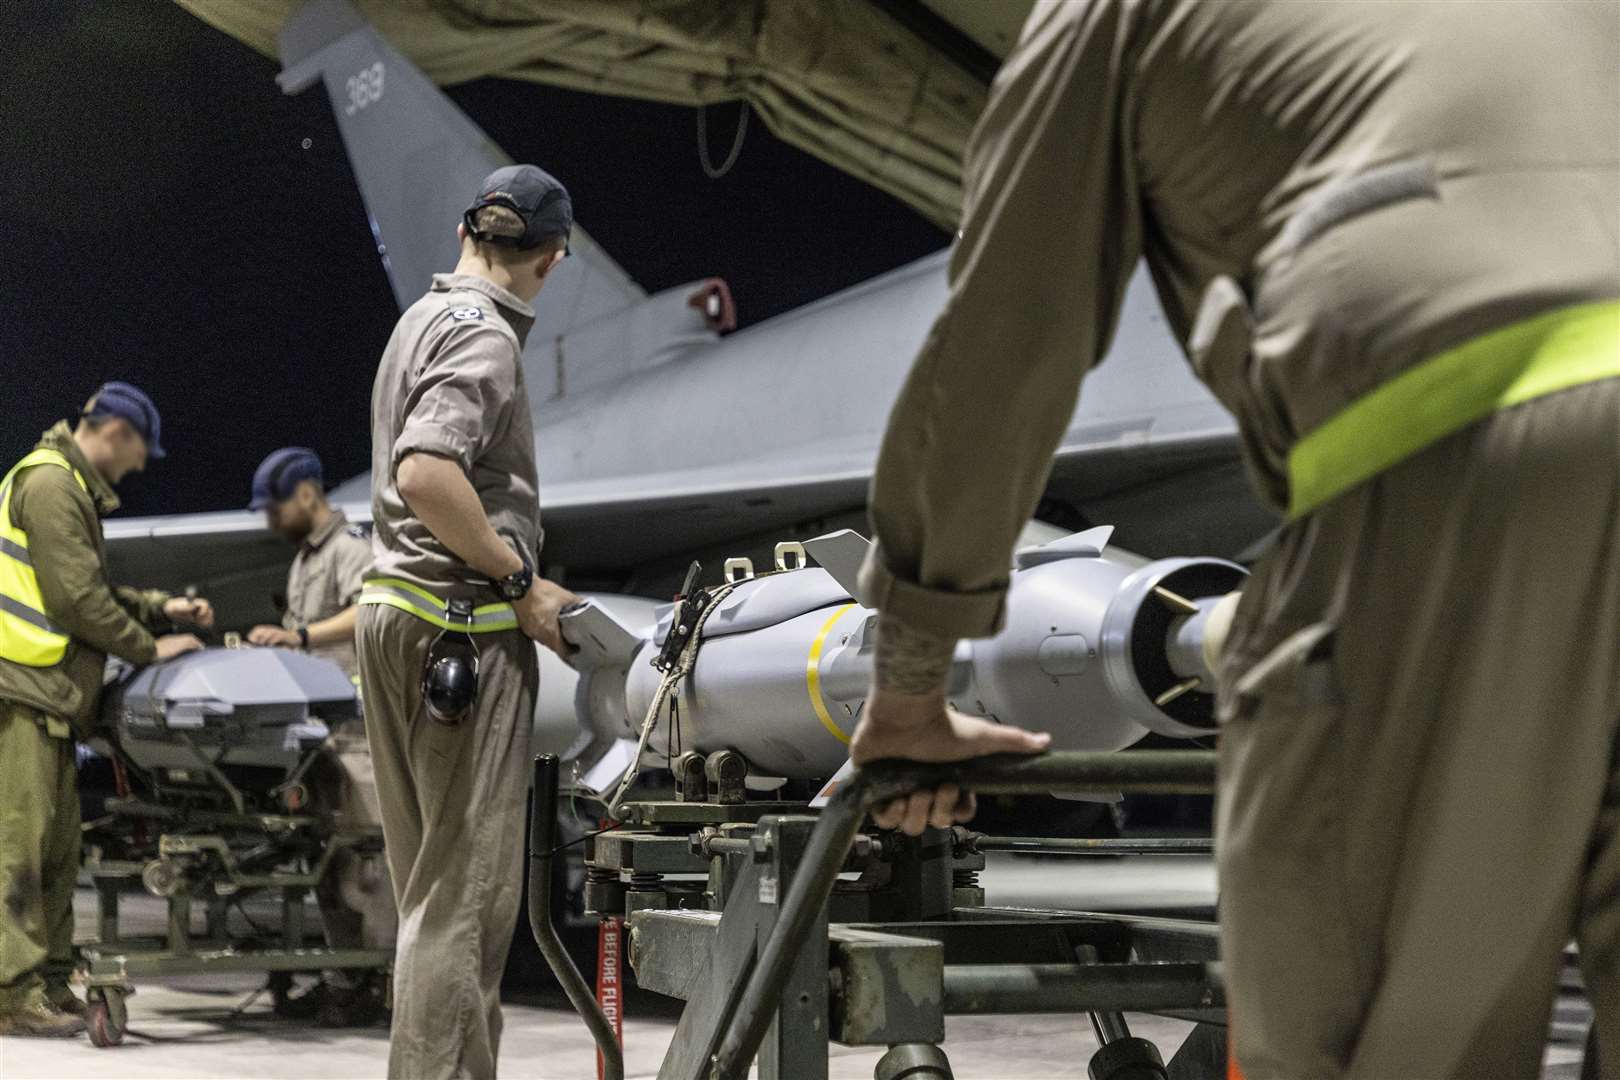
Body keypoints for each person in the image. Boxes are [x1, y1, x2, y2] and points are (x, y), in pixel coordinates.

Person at [847, 3, 1619, 1078]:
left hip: (1452, 435)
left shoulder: (1109, 16)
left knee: (1374, 1036)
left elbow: (1003, 344)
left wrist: (910, 689)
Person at [356, 164, 580, 1079]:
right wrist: (518, 577)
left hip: (394, 616)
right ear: (552, 260)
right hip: (458, 634)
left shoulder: (418, 321)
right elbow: (425, 471)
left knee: (429, 895)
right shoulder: (486, 339)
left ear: (464, 235)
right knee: (465, 902)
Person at [0, 382, 212, 1036]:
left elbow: (87, 586)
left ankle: (51, 979)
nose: (140, 466)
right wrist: (151, 646)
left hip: (53, 698)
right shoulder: (50, 483)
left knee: (60, 853)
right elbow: (76, 603)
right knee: (22, 851)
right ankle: (12, 993)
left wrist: (158, 606)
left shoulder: (64, 487)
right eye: (140, 450)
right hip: (24, 690)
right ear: (116, 432)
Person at [246, 446, 395, 1026]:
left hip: (359, 734)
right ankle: (347, 980)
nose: (269, 521)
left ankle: (381, 983)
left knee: (367, 867)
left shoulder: (349, 548)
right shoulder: (305, 560)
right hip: (323, 740)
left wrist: (301, 636)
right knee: (329, 865)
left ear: (306, 494)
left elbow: (370, 611)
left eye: (273, 508)